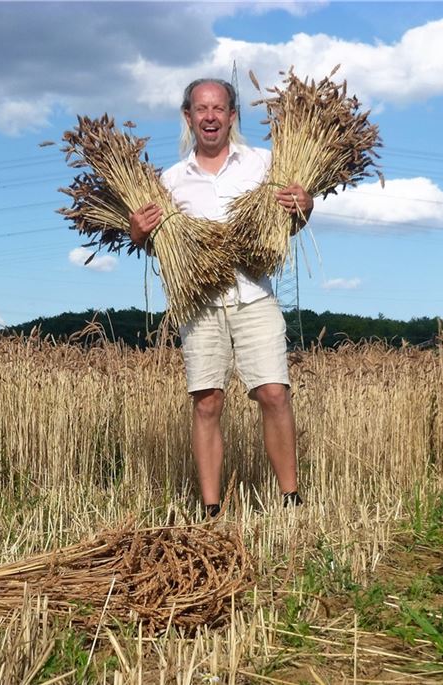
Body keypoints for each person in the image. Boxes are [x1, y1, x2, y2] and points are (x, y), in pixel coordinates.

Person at [129, 78, 314, 518]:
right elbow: (156, 243)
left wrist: (305, 205)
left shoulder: (267, 165)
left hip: (253, 296)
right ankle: (211, 508)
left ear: (232, 116)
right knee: (207, 400)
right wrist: (138, 233)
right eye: (200, 109)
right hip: (199, 303)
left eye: (218, 109)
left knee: (273, 392)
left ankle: (291, 499)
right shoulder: (168, 182)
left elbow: (292, 222)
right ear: (188, 116)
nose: (209, 116)